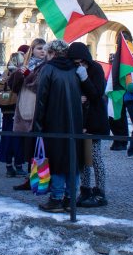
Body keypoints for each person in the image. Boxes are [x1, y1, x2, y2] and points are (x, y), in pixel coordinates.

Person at [33, 40, 84, 212]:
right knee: (72, 159)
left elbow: (41, 100)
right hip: (75, 121)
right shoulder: (75, 69)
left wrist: (38, 125)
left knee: (56, 159)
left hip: (53, 121)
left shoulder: (48, 69)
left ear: (52, 53)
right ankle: (70, 198)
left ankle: (56, 198)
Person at [68, 42, 110, 208]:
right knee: (82, 159)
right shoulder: (72, 69)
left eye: (81, 61)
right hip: (80, 119)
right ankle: (84, 190)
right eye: (76, 62)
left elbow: (97, 94)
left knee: (94, 157)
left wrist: (85, 78)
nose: (79, 65)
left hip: (94, 119)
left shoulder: (95, 69)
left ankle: (100, 191)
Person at [13, 39, 46, 191]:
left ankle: (38, 180)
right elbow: (14, 86)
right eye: (39, 48)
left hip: (37, 110)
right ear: (32, 50)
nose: (42, 51)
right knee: (27, 147)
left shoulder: (45, 66)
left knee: (37, 146)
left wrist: (28, 74)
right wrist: (17, 75)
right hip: (23, 108)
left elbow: (39, 87)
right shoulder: (26, 64)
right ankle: (30, 178)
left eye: (44, 49)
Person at [0, 52, 27, 176]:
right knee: (17, 140)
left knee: (7, 139)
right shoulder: (20, 73)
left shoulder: (5, 73)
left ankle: (9, 166)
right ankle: (18, 166)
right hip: (17, 110)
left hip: (6, 111)